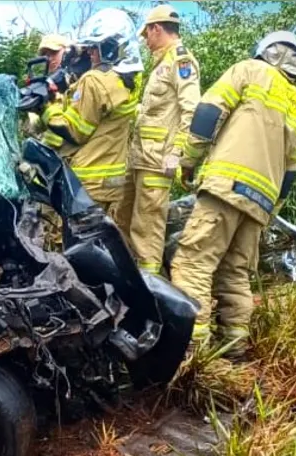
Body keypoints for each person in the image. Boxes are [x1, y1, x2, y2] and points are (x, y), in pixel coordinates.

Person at [172, 31, 296, 358]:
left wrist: (188, 162)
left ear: (265, 52)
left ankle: (191, 349)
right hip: (261, 202)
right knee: (235, 274)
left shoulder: (249, 71)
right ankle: (234, 349)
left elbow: (208, 112)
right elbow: (290, 172)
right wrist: (271, 208)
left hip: (226, 185)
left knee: (192, 263)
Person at [117, 4, 201, 275]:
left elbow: (192, 110)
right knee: (122, 219)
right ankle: (125, 279)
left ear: (156, 28)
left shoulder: (181, 61)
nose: (145, 40)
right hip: (139, 158)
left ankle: (151, 295)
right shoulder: (161, 64)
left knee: (146, 232)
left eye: (147, 34)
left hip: (157, 163)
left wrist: (177, 155)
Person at [39, 8, 143, 226]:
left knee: (68, 241)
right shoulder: (130, 80)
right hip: (112, 179)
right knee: (98, 239)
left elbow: (75, 131)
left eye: (95, 48)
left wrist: (49, 106)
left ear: (112, 47)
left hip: (86, 180)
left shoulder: (94, 81)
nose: (90, 54)